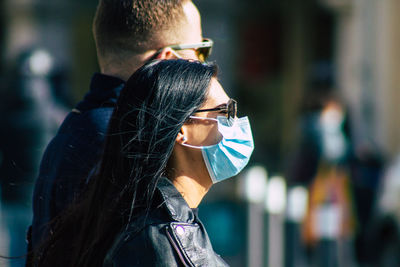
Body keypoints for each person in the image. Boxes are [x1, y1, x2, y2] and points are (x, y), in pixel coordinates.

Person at [30, 0, 214, 251]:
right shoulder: (124, 139)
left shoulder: (82, 125)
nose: (203, 69)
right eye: (201, 52)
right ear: (168, 60)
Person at [32, 59, 254, 266]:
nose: (236, 122)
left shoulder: (156, 224)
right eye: (226, 111)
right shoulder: (158, 242)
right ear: (182, 130)